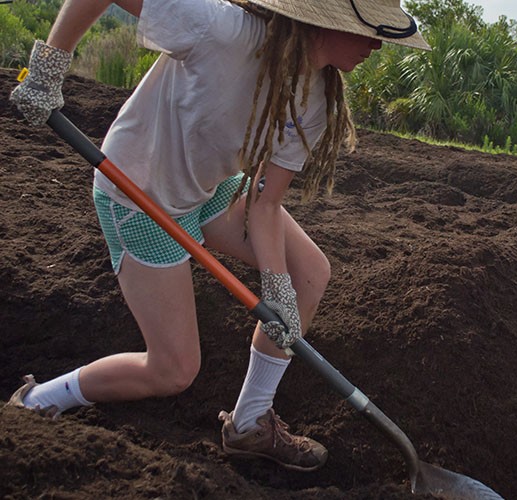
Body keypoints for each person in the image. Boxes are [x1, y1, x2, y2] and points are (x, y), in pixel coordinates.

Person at [8, 0, 429, 471]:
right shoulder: (220, 28)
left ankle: (249, 424)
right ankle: (38, 400)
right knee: (173, 370)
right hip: (138, 195)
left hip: (205, 190)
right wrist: (48, 67)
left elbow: (266, 203)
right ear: (324, 23)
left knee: (307, 273)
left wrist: (277, 288)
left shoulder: (315, 98)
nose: (376, 45)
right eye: (368, 31)